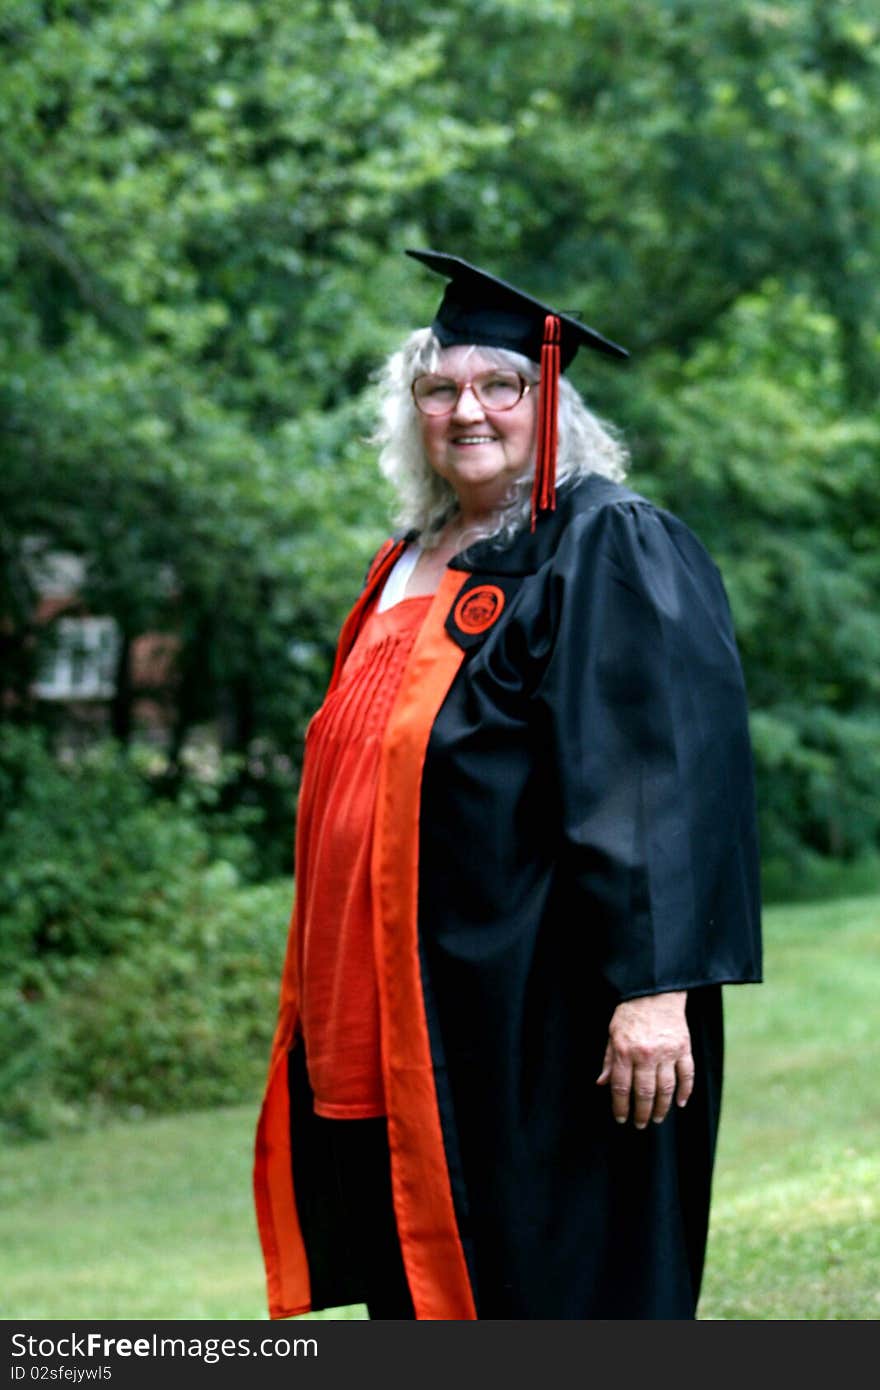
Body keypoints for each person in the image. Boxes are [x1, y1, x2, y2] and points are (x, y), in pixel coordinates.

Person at [253, 249, 762, 1321]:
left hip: (541, 1019)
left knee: (549, 1284)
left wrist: (656, 989)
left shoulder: (604, 542)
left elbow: (660, 766)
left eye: (499, 385)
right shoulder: (409, 555)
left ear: (550, 401)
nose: (466, 411)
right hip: (405, 1015)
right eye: (439, 388)